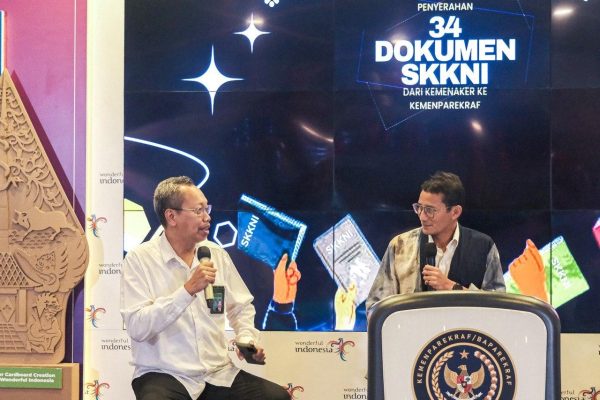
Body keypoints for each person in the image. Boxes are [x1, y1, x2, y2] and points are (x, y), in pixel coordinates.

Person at [120, 176, 290, 400]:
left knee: (277, 396)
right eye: (198, 210)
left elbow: (241, 307)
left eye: (206, 209)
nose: (207, 217)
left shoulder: (216, 254)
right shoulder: (139, 260)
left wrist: (246, 340)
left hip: (217, 373)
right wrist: (187, 291)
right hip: (164, 374)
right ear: (171, 216)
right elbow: (137, 326)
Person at [366, 171, 505, 311]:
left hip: (463, 326)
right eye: (419, 208)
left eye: (430, 210)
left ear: (455, 212)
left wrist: (452, 287)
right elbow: (375, 307)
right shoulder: (400, 245)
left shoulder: (483, 247)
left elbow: (499, 309)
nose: (422, 217)